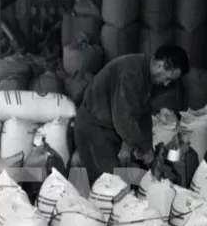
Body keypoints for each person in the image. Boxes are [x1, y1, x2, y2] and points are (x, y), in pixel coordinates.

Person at [73, 45, 189, 186]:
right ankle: (76, 171)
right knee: (108, 186)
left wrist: (147, 147)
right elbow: (123, 121)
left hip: (108, 131)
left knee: (108, 180)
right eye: (168, 78)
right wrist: (143, 150)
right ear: (160, 64)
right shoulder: (130, 74)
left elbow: (143, 115)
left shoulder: (149, 79)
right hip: (93, 129)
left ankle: (80, 165)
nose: (166, 84)